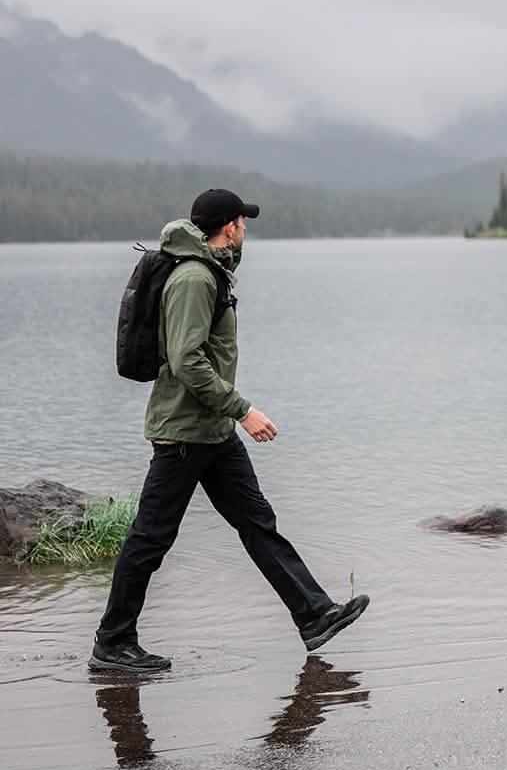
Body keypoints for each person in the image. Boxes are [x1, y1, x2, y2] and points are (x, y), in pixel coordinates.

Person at [90, 189, 368, 672]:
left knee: (257, 523)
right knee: (150, 539)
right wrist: (243, 410)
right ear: (230, 226)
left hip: (212, 432)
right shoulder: (195, 278)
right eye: (243, 222)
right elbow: (186, 360)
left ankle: (314, 614)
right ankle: (112, 643)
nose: (246, 230)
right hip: (184, 433)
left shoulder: (210, 271)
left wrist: (228, 417)